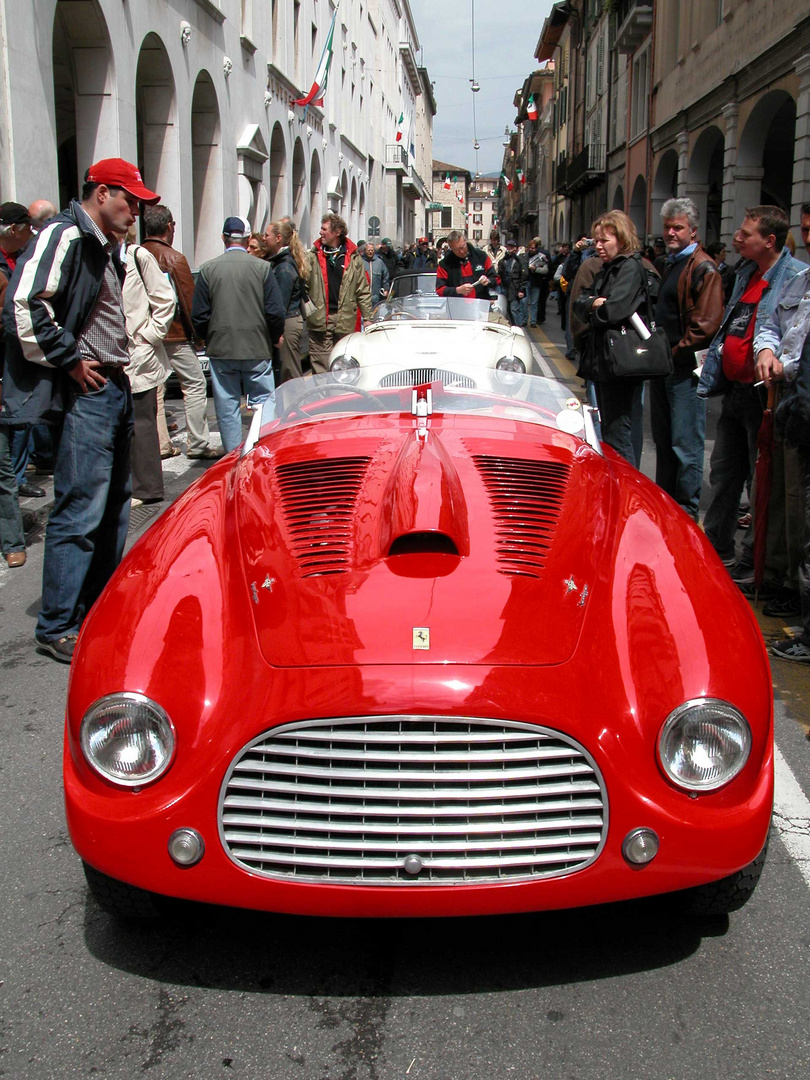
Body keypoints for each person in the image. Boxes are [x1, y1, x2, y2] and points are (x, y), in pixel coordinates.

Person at [1, 157, 160, 662]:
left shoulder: (103, 245)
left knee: (113, 505)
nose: (134, 211)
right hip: (89, 393)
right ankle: (58, 623)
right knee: (82, 510)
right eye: (128, 200)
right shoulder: (66, 235)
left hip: (111, 386)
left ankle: (94, 608)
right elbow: (23, 306)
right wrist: (70, 360)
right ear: (100, 193)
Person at [698, 205, 806, 577]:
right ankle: (716, 547)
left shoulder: (793, 277)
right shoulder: (745, 273)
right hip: (736, 390)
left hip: (766, 395)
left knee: (761, 483)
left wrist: (769, 355)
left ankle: (753, 560)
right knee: (724, 472)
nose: (737, 238)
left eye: (746, 234)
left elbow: (785, 335)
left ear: (770, 240)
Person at [754, 202, 810, 659]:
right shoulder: (798, 284)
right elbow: (771, 327)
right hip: (792, 408)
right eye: (807, 231)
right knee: (792, 513)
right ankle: (793, 592)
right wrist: (767, 351)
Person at [650, 197, 724, 521]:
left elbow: (706, 324)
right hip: (664, 366)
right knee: (665, 443)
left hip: (684, 370)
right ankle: (666, 508)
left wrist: (676, 351)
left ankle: (686, 514)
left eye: (678, 227)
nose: (671, 232)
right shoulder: (671, 263)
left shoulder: (703, 267)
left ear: (693, 231)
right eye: (667, 227)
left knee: (686, 445)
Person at [192, 215, 285, 453]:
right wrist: (275, 337)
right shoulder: (263, 268)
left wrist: (207, 336)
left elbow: (200, 315)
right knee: (263, 403)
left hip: (222, 346)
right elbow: (274, 311)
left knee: (226, 405)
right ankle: (262, 448)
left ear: (223, 238)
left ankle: (233, 454)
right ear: (247, 239)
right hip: (256, 345)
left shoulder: (208, 269)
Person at [572, 211, 656, 466]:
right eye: (596, 240)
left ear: (621, 239)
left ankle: (626, 495)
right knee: (611, 432)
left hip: (620, 362)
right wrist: (593, 305)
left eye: (604, 240)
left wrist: (594, 308)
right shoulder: (610, 268)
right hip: (607, 361)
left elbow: (614, 310)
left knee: (618, 435)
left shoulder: (629, 267)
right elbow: (580, 302)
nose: (597, 245)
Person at [141, 204, 221, 459]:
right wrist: (198, 336)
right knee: (195, 384)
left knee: (155, 387)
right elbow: (189, 301)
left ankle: (160, 443)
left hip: (144, 332)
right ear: (169, 226)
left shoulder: (135, 254)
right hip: (173, 333)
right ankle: (197, 443)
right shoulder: (173, 258)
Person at [122, 240, 176, 505]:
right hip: (112, 353)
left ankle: (146, 488)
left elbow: (166, 298)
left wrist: (149, 335)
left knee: (141, 420)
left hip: (137, 353)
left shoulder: (137, 256)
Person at [0, 202, 45, 499]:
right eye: (27, 227)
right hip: (6, 349)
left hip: (17, 350)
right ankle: (12, 481)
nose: (31, 233)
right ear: (13, 229)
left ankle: (17, 477)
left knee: (21, 417)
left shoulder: (19, 258)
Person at [304, 213, 372, 374]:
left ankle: (340, 397)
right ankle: (324, 397)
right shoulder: (313, 256)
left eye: (324, 229)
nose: (320, 232)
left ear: (337, 232)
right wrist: (307, 311)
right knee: (320, 367)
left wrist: (368, 318)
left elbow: (362, 289)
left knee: (344, 364)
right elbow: (303, 286)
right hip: (320, 319)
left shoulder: (352, 257)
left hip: (344, 320)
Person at [264, 217, 309, 383]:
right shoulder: (281, 262)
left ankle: (297, 406)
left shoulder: (283, 268)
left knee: (289, 372)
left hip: (288, 323)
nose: (263, 238)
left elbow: (280, 305)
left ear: (278, 238)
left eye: (266, 235)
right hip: (288, 321)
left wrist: (277, 332)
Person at [435, 231, 497, 300]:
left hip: (480, 304)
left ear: (465, 241)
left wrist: (488, 281)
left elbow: (496, 279)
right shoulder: (445, 264)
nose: (461, 251)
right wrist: (457, 290)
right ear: (451, 248)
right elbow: (439, 290)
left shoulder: (481, 257)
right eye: (456, 249)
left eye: (462, 247)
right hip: (456, 306)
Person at [501, 238, 528, 326]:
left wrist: (521, 290)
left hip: (514, 288)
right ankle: (510, 326)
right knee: (507, 310)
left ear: (515, 248)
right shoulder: (504, 260)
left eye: (511, 247)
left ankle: (517, 327)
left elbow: (524, 275)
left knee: (514, 309)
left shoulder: (519, 260)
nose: (509, 248)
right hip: (505, 288)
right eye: (508, 246)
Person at [526, 237, 551, 326]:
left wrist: (535, 269)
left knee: (534, 303)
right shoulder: (525, 256)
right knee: (525, 302)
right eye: (530, 248)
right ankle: (525, 320)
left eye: (533, 248)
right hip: (526, 281)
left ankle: (533, 321)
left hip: (536, 282)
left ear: (536, 248)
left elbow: (546, 270)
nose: (531, 249)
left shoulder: (542, 257)